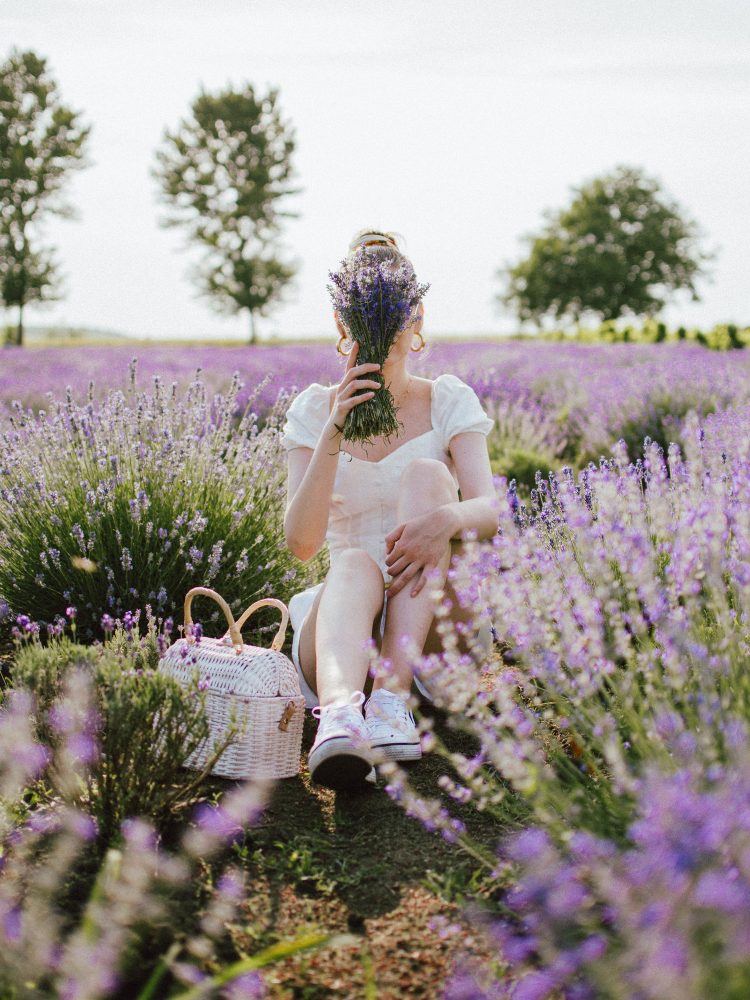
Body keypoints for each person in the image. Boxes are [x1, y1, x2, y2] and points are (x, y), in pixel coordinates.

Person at [281, 228, 498, 791]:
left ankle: (392, 701)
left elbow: (491, 510)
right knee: (353, 564)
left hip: (432, 633)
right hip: (341, 630)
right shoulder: (311, 410)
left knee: (429, 476)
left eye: (396, 322)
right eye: (367, 325)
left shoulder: (447, 398)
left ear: (417, 319)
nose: (384, 340)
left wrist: (445, 521)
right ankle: (340, 718)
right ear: (341, 324)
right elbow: (301, 544)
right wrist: (334, 429)